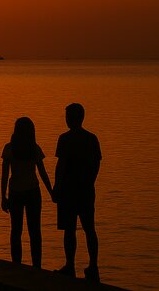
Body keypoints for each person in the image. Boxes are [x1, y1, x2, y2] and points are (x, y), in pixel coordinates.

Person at [53, 103, 102, 281]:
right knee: (89, 229)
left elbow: (61, 165)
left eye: (67, 117)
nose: (66, 120)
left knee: (69, 230)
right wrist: (89, 182)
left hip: (68, 191)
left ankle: (70, 264)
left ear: (72, 118)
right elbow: (97, 163)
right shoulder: (92, 138)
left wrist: (56, 188)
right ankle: (93, 266)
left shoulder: (65, 139)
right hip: (86, 191)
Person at [0, 117, 54, 268]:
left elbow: (4, 175)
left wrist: (3, 197)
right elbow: (42, 173)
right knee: (35, 231)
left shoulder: (9, 149)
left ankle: (16, 264)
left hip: (16, 193)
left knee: (16, 231)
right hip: (32, 192)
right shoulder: (34, 149)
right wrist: (51, 192)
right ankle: (37, 266)